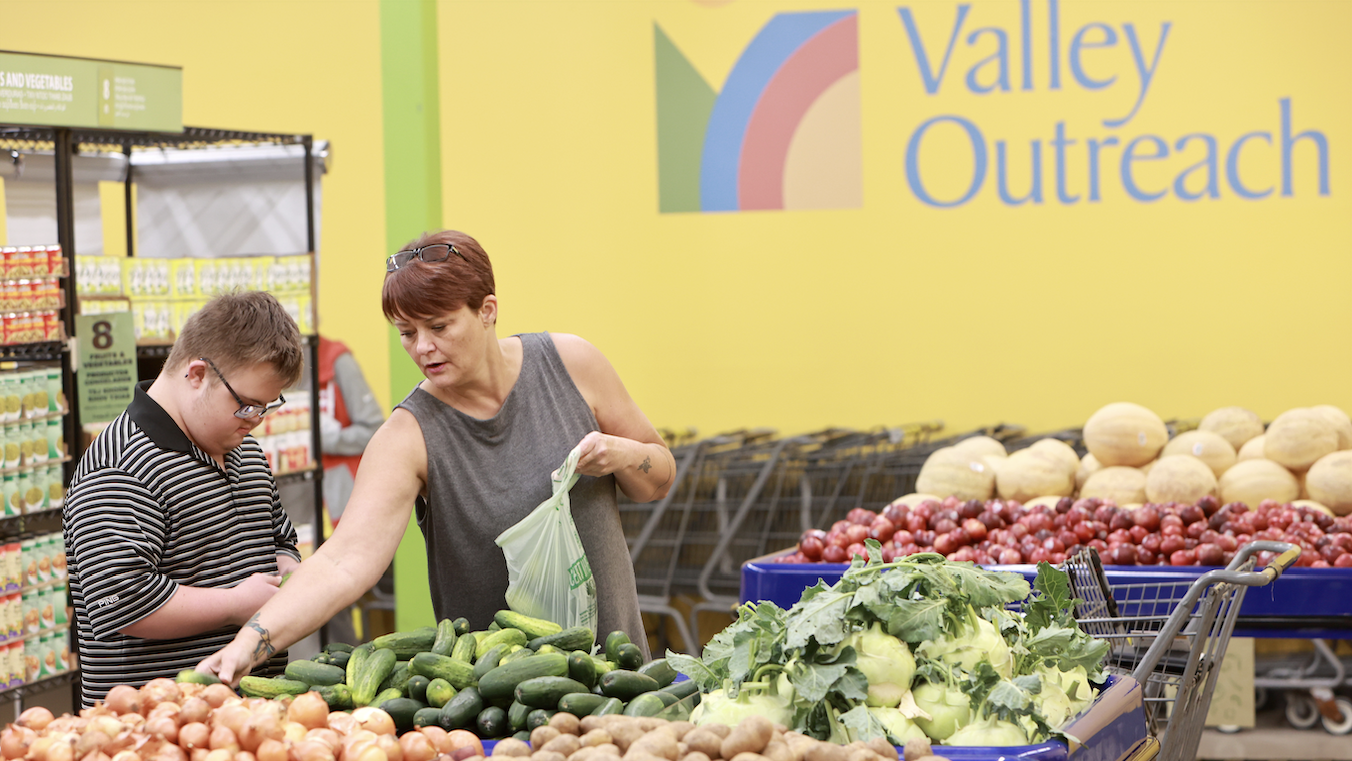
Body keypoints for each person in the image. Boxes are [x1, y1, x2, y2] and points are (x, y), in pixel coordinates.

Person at [200, 230, 674, 683]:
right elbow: (344, 561)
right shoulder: (407, 436)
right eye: (406, 333)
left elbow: (659, 478)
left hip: (623, 679)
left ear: (488, 310)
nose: (422, 347)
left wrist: (621, 454)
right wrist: (252, 641)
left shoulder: (572, 364)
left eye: (440, 326)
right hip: (501, 704)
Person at [64, 290, 306, 707]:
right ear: (197, 373)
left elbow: (279, 538)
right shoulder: (119, 466)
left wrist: (290, 571)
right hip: (153, 726)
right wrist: (235, 604)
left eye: (266, 407)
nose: (256, 421)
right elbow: (124, 604)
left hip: (250, 719)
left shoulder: (243, 449)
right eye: (247, 405)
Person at [316, 334, 386, 643]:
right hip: (295, 504)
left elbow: (374, 428)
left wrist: (321, 437)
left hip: (341, 503)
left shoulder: (336, 360)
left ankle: (343, 668)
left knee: (332, 592)